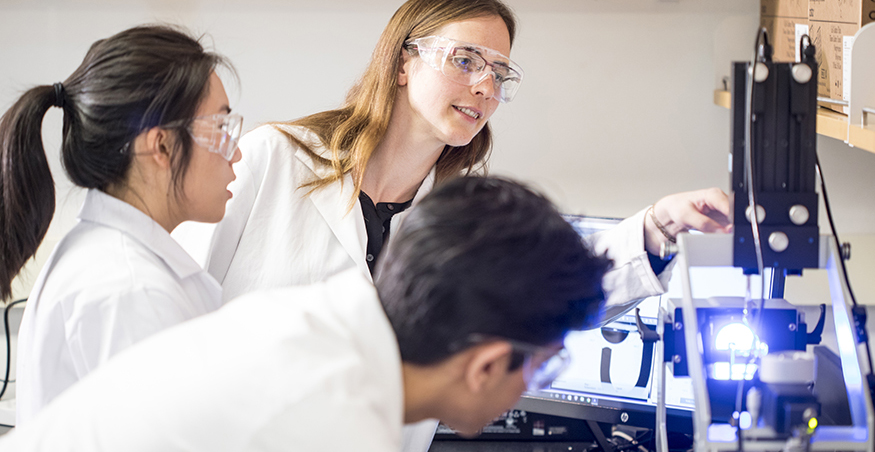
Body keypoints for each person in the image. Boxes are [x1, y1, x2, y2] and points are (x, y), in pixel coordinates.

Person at [174, 0, 730, 448]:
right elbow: (171, 311)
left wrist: (659, 226)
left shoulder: (453, 212)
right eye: (466, 61)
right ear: (401, 63)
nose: (486, 88)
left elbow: (546, 296)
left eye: (499, 72)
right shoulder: (276, 158)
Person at [0, 176, 611, 452]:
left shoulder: (317, 320)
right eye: (544, 368)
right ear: (483, 365)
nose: (533, 389)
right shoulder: (328, 422)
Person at [0, 25, 243, 423]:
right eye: (221, 129)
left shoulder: (108, 260)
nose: (235, 153)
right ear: (160, 146)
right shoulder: (130, 291)